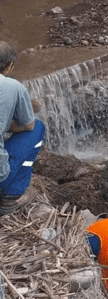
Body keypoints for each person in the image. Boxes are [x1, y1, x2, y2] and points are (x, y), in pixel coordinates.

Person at [0, 42, 45, 215]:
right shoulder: (13, 87)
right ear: (10, 66)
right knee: (38, 128)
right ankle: (11, 195)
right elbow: (29, 124)